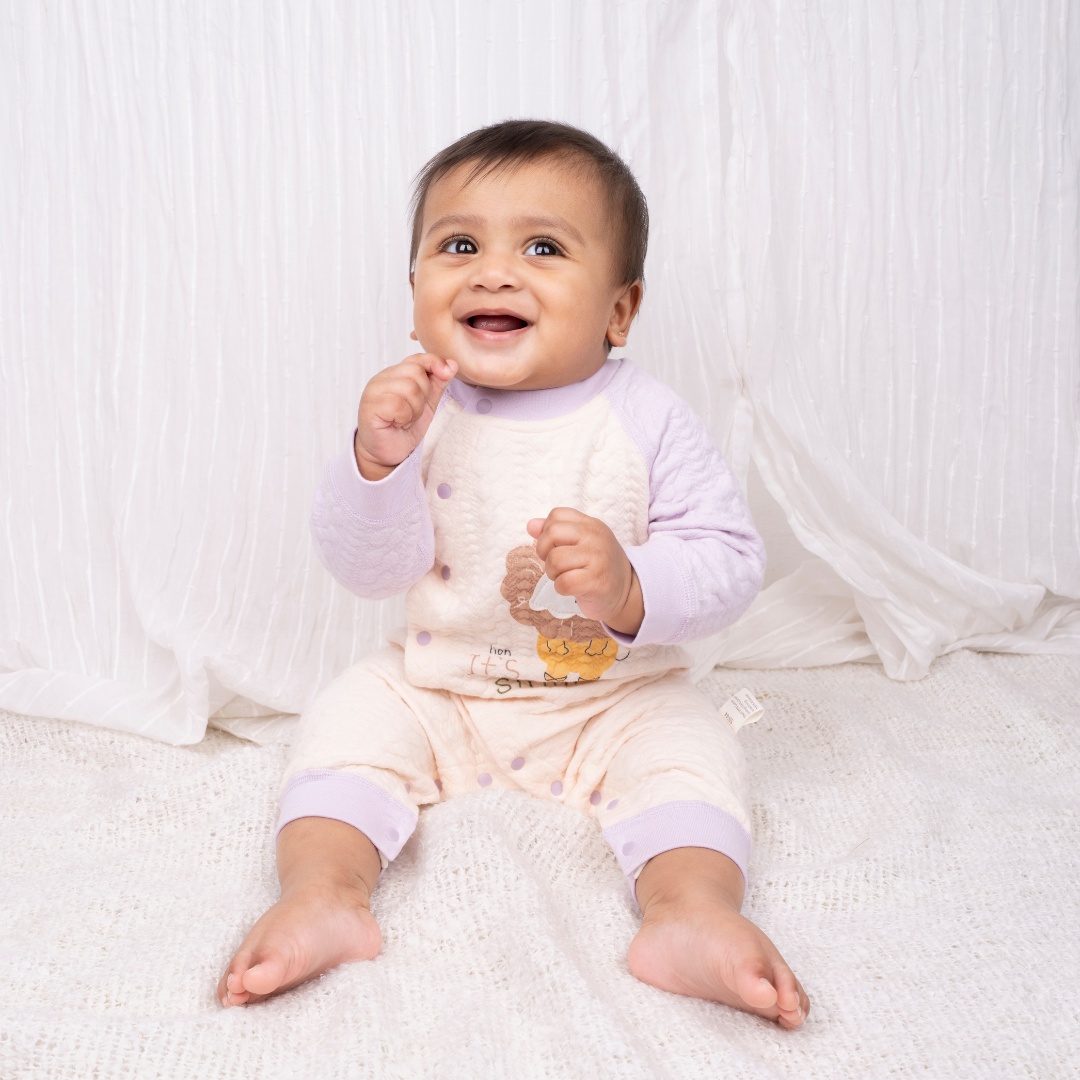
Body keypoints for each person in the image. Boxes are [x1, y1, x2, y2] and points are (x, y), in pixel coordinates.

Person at [218, 120, 809, 1027]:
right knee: (347, 721)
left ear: (619, 310)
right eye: (459, 244)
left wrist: (631, 584)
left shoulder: (646, 418)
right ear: (415, 289)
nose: (493, 271)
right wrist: (376, 463)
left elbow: (732, 562)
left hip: (614, 699)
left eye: (542, 246)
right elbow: (369, 569)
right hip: (441, 686)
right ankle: (324, 894)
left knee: (691, 752)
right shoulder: (422, 411)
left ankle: (691, 911)